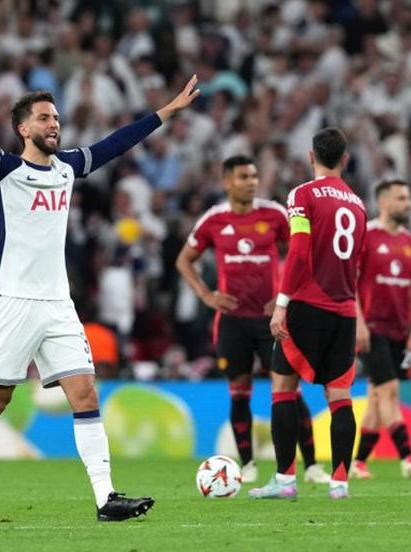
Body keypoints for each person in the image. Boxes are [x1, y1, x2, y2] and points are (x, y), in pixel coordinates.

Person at [0, 48, 199, 523]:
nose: (54, 124)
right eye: (44, 118)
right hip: (14, 299)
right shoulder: (5, 170)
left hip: (58, 302)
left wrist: (166, 111)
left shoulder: (67, 167)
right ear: (23, 129)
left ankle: (106, 498)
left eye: (56, 118)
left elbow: (117, 142)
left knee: (85, 394)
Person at [175, 155, 330, 485]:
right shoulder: (214, 219)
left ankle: (312, 465)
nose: (251, 182)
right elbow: (184, 260)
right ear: (227, 182)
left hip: (271, 320)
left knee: (289, 390)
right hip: (231, 321)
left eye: (254, 176)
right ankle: (247, 465)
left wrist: (286, 296)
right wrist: (207, 296)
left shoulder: (274, 214)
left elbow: (303, 253)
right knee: (239, 392)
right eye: (244, 177)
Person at [250, 127, 367, 500]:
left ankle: (285, 480)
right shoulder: (359, 205)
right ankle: (340, 483)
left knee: (284, 386)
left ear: (311, 156)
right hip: (344, 309)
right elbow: (356, 265)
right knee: (340, 395)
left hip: (307, 305)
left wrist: (281, 304)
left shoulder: (302, 195)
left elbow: (299, 252)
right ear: (345, 160)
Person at [351, 179, 411, 480]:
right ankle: (408, 457)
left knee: (377, 396)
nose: (408, 204)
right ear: (383, 202)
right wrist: (358, 321)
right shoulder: (366, 235)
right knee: (389, 389)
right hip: (372, 327)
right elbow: (351, 283)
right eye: (401, 198)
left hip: (400, 330)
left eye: (408, 198)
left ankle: (358, 463)